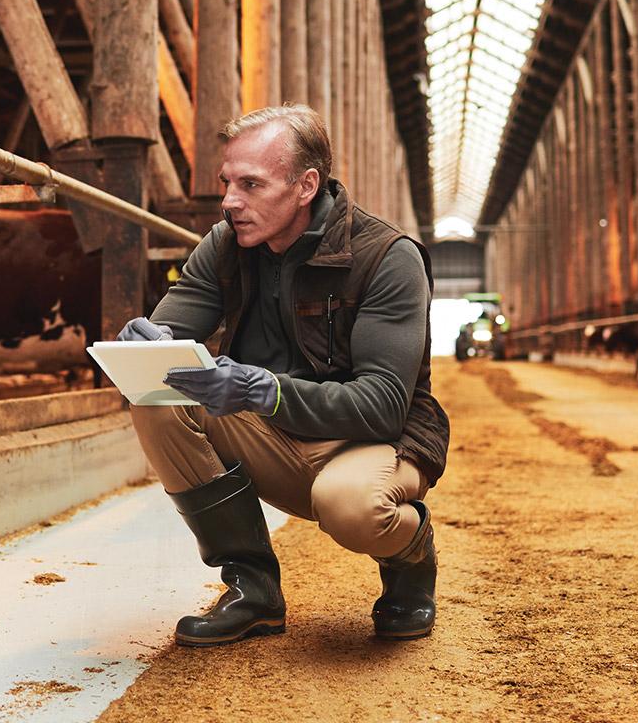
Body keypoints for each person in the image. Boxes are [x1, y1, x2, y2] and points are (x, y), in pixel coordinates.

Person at [119, 104, 450, 645]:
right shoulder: (226, 246)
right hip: (269, 434)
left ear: (306, 186)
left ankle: (411, 559)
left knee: (352, 507)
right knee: (158, 395)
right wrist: (144, 342)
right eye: (227, 181)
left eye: (251, 184)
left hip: (366, 443)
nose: (230, 201)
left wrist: (261, 387)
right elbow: (168, 339)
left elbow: (384, 405)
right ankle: (253, 590)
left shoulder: (386, 256)